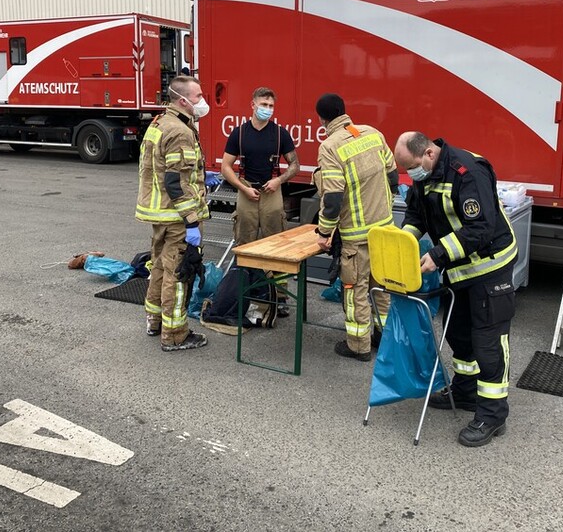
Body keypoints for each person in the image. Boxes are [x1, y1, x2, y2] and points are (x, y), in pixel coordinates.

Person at [393, 131, 517, 447]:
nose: (411, 175)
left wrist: (436, 254)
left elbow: (480, 227)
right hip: (459, 268)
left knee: (488, 341)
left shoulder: (468, 171)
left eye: (412, 168)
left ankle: (492, 414)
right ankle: (465, 391)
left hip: (490, 266)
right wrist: (406, 243)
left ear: (429, 154)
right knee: (458, 333)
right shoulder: (426, 175)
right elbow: (417, 213)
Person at [315, 93, 397, 361]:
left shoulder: (330, 147)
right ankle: (384, 336)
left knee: (355, 290)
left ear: (323, 119)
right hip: (384, 229)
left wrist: (324, 233)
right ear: (344, 111)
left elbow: (333, 198)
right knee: (382, 286)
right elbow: (392, 173)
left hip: (356, 237)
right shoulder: (373, 133)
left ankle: (358, 345)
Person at [135, 75, 210, 351]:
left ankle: (154, 321)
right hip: (177, 216)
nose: (202, 101)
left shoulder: (158, 123)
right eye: (198, 96)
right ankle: (175, 334)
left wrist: (201, 175)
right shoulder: (180, 131)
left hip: (159, 214)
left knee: (158, 268)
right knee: (178, 274)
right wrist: (191, 221)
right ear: (182, 100)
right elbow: (174, 182)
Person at [221, 87, 299, 318]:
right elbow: (226, 166)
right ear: (252, 105)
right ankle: (244, 292)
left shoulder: (280, 134)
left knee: (277, 244)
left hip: (271, 190)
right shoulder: (239, 134)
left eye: (271, 106)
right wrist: (243, 188)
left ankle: (280, 296)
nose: (267, 110)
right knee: (245, 243)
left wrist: (279, 181)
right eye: (263, 105)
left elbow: (294, 164)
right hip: (246, 189)